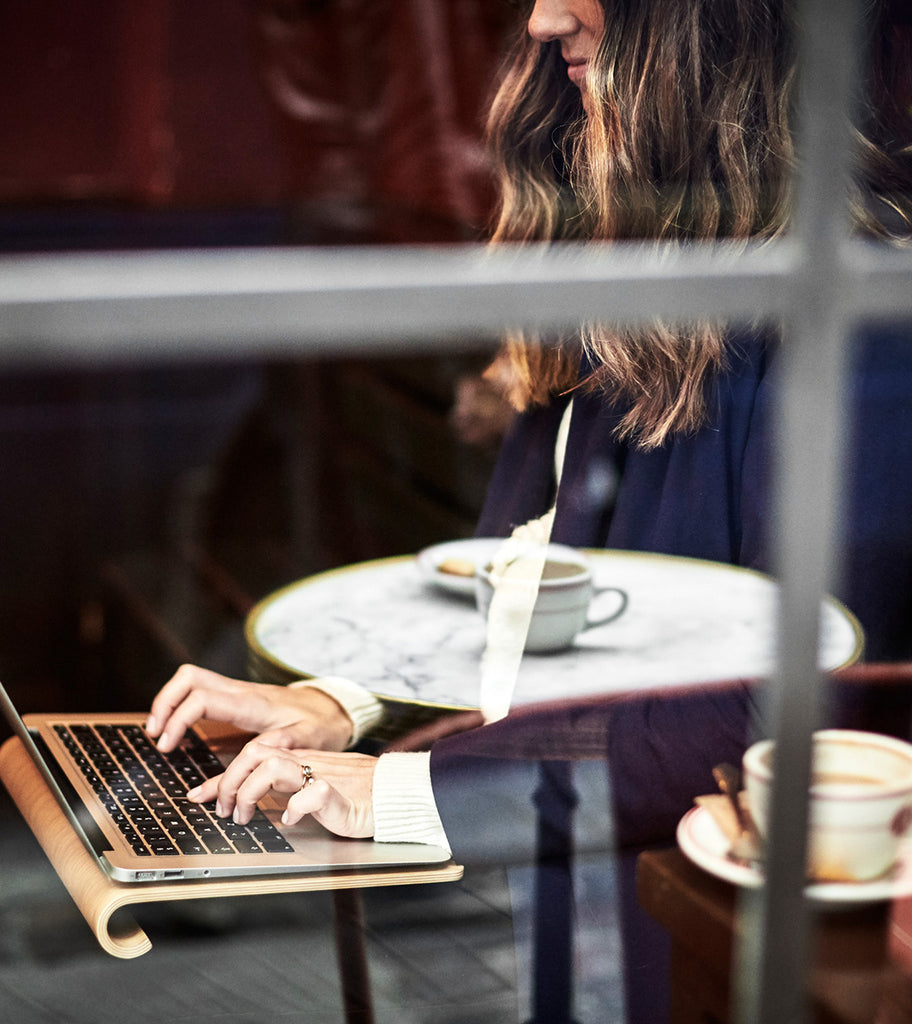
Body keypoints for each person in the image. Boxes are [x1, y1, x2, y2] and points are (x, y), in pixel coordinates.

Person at [147, 0, 911, 1015]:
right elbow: (522, 571)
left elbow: (775, 709)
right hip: (557, 895)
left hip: (669, 945)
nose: (545, 16)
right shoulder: (639, 272)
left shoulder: (860, 314)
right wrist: (345, 700)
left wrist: (406, 789)